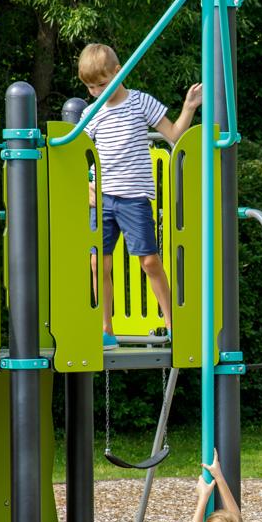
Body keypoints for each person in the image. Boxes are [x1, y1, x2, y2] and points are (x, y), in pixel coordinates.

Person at [78, 43, 201, 344]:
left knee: (148, 261)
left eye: (102, 84)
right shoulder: (90, 113)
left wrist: (188, 108)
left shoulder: (139, 102)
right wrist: (86, 186)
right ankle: (105, 329)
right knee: (99, 262)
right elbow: (77, 156)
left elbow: (173, 136)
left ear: (119, 72)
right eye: (91, 87)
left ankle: (173, 321)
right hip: (103, 199)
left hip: (133, 199)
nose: (96, 91)